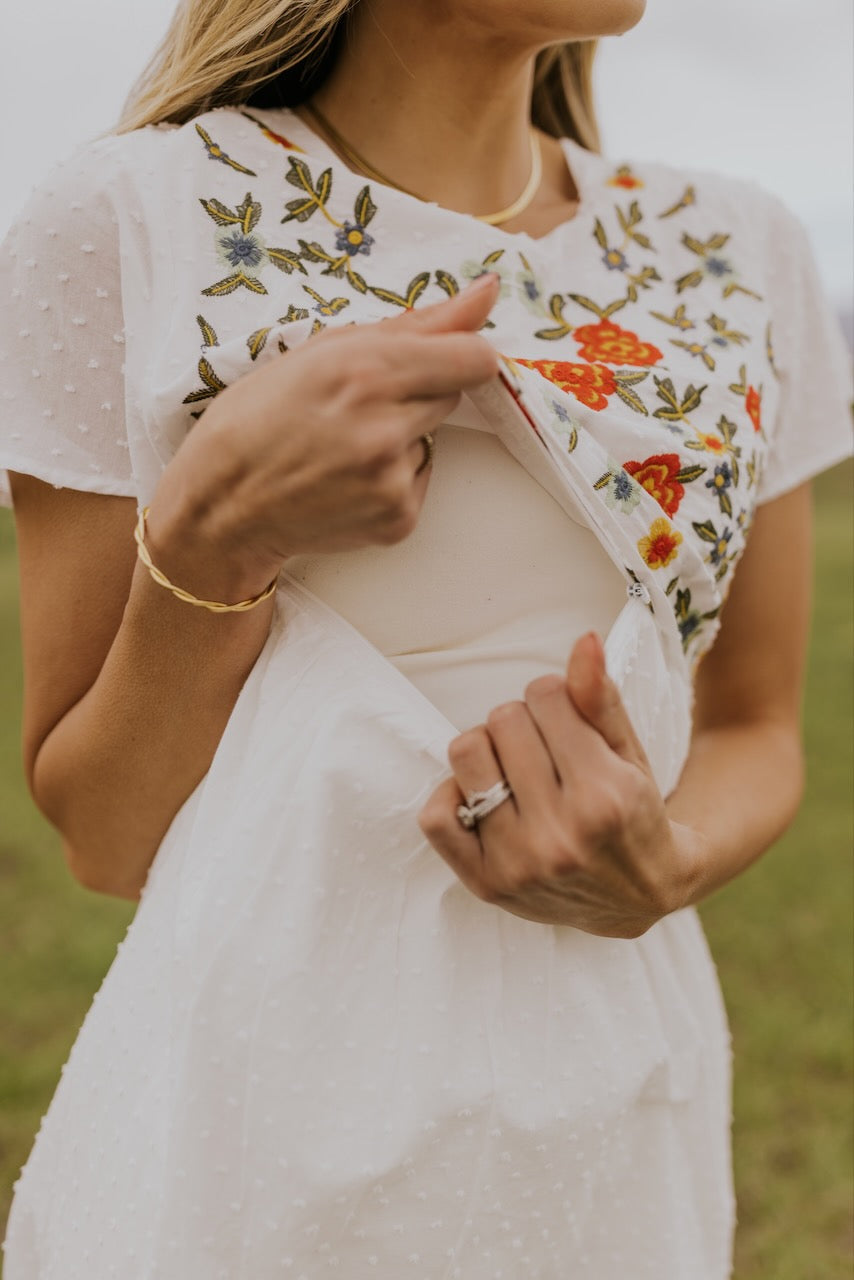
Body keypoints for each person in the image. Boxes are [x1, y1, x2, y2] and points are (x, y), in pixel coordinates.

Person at [0, 0, 850, 1274]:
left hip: (611, 1090)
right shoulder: (134, 221)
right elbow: (107, 838)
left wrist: (663, 863)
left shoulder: (734, 251)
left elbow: (754, 725)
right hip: (248, 1113)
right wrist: (217, 538)